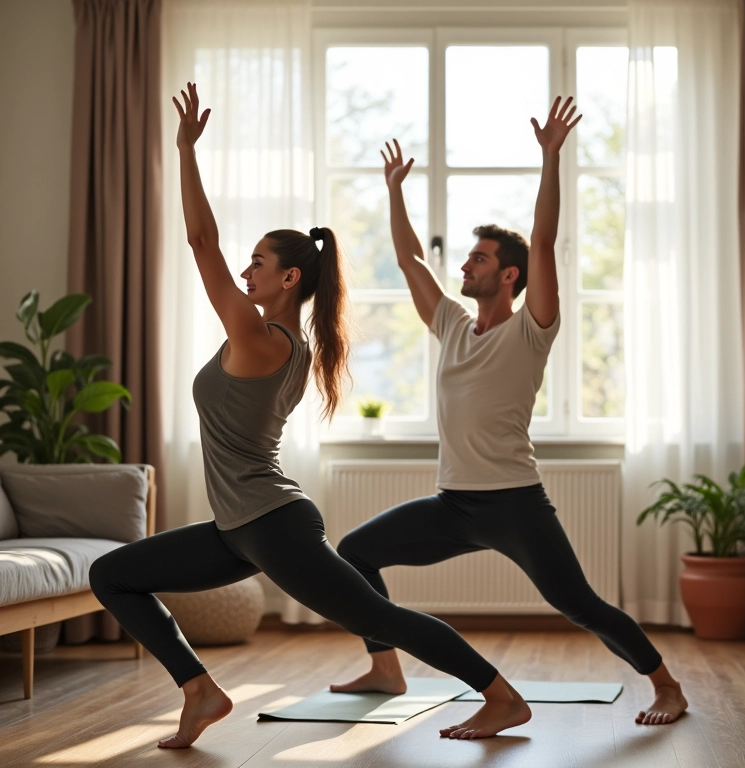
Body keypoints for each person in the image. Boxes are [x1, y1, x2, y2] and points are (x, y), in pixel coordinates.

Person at [89, 82, 536, 750]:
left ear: (290, 279)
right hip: (242, 526)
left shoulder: (262, 339)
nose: (245, 270)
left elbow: (201, 240)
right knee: (112, 574)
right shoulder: (278, 340)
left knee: (379, 614)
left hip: (270, 524)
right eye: (249, 261)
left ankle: (501, 696)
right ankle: (199, 690)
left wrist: (185, 150)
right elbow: (215, 252)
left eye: (259, 262)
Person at [329, 97, 688, 728]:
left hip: (514, 503)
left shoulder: (531, 330)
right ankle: (386, 668)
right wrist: (393, 193)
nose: (464, 265)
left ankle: (667, 686)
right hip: (453, 504)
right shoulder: (451, 324)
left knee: (579, 604)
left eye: (479, 259)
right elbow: (413, 259)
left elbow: (544, 239)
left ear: (511, 274)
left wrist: (551, 158)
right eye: (467, 259)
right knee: (355, 552)